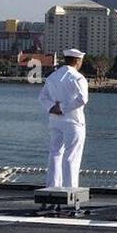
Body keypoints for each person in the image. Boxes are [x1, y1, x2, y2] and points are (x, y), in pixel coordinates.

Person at [38, 48, 89, 188]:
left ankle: (52, 187)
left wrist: (52, 108)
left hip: (55, 121)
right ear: (78, 60)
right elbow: (83, 99)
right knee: (72, 156)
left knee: (55, 154)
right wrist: (64, 108)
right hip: (73, 122)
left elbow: (42, 97)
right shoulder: (78, 77)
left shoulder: (53, 76)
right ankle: (70, 189)